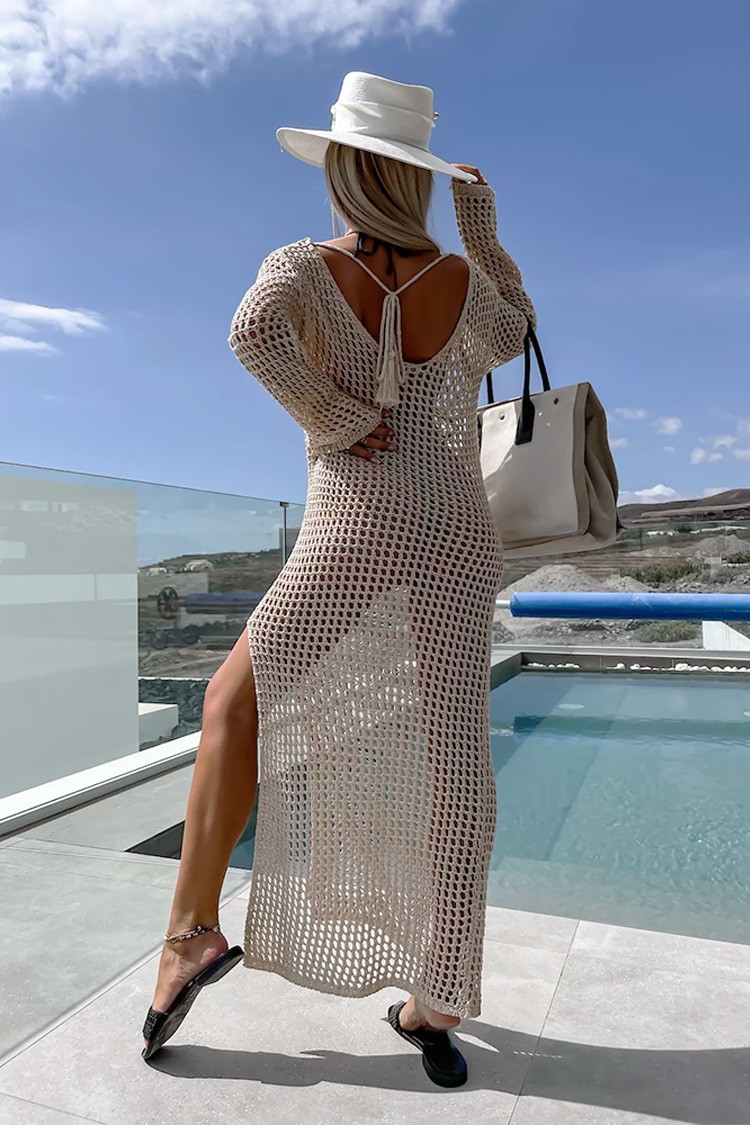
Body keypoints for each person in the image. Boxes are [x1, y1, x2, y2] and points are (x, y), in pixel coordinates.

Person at [141, 70, 536, 1089]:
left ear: (347, 168)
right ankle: (440, 995)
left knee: (233, 700)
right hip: (459, 529)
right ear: (415, 175)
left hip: (357, 523)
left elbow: (250, 333)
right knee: (458, 753)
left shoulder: (305, 265)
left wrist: (337, 416)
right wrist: (482, 229)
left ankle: (190, 933)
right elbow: (515, 331)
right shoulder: (462, 279)